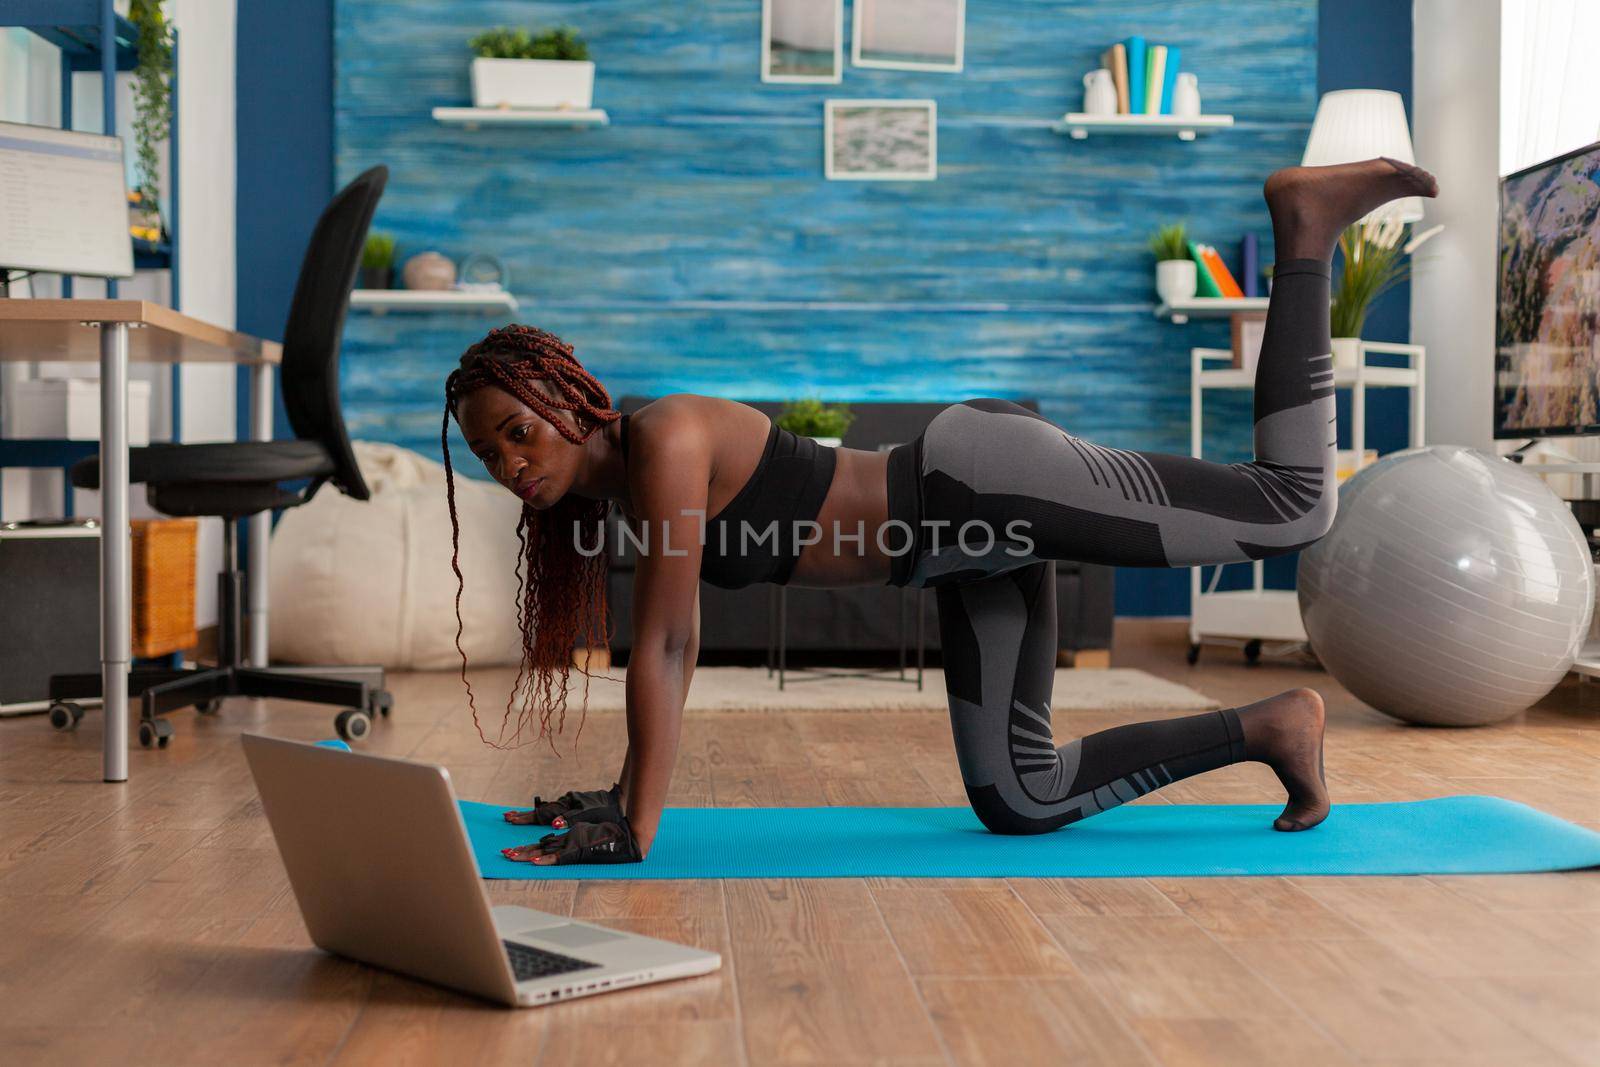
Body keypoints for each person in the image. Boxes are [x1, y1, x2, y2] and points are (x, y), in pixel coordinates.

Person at [440, 158, 1439, 865]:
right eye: (487, 452)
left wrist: (635, 822)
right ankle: (1270, 726)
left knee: (1294, 505)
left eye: (516, 430)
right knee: (1020, 794)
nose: (508, 461)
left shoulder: (664, 439)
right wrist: (616, 795)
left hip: (978, 483)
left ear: (566, 398)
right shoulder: (622, 491)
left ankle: (1304, 227)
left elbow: (664, 643)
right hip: (959, 553)